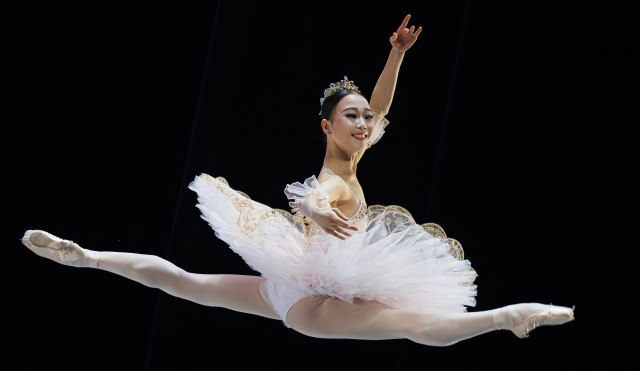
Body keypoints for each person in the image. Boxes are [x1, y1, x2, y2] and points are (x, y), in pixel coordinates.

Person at [22, 15, 574, 346]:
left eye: (366, 118)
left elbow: (382, 107)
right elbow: (314, 197)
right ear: (327, 127)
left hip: (293, 288)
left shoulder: (355, 153)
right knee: (418, 325)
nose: (365, 124)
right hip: (312, 303)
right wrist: (314, 209)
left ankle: (88, 257)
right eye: (352, 117)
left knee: (187, 283)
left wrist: (395, 55)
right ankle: (507, 317)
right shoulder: (334, 177)